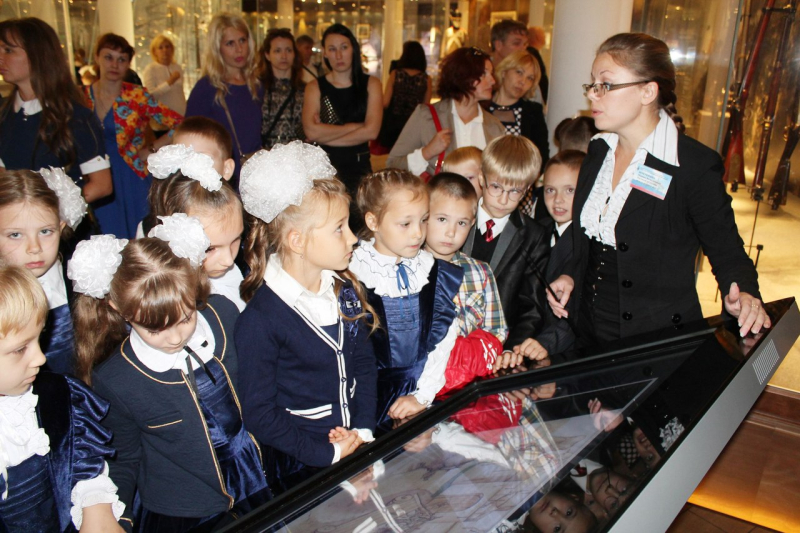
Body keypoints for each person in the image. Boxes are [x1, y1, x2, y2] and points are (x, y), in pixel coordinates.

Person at [547, 33, 770, 343]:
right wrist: (570, 275)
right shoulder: (598, 151)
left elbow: (727, 251)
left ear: (647, 91)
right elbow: (588, 241)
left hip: (654, 340)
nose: (593, 95)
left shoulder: (692, 165)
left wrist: (744, 294)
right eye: (593, 84)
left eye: (606, 84)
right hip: (586, 333)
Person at [72, 222, 271, 531]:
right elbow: (124, 456)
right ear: (119, 309)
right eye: (155, 329)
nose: (176, 337)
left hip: (264, 476)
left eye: (186, 318)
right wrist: (117, 518)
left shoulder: (224, 314)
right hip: (188, 511)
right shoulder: (116, 379)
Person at [235, 142, 378, 493]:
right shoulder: (261, 319)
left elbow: (364, 366)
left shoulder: (343, 290)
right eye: (339, 228)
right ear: (297, 241)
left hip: (355, 446)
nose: (353, 238)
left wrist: (361, 431)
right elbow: (260, 414)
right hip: (302, 465)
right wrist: (327, 452)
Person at [0, 264, 125, 532]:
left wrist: (95, 504)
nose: (40, 357)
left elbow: (82, 462)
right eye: (20, 349)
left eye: (39, 338)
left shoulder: (55, 395)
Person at [349, 169, 463, 431]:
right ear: (373, 221)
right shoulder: (353, 272)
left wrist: (423, 395)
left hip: (421, 396)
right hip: (366, 401)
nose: (418, 234)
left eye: (424, 220)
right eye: (405, 224)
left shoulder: (431, 271)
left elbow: (444, 339)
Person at [0, 18, 112, 207]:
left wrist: (54, 212)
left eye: (8, 50)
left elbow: (102, 185)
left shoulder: (76, 116)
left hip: (61, 222)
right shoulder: (4, 114)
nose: (1, 57)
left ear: (37, 54)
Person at [423, 173, 517, 397]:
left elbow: (496, 330)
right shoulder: (407, 270)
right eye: (442, 219)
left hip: (472, 385)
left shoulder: (481, 272)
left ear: (472, 223)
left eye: (462, 223)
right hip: (424, 385)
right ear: (424, 216)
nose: (451, 232)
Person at [85, 33, 182, 240]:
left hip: (131, 175)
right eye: (108, 57)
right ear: (97, 58)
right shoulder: (81, 96)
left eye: (121, 59)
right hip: (93, 177)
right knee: (100, 238)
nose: (114, 64)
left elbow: (180, 123)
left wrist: (152, 148)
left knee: (138, 240)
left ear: (129, 64)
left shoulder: (137, 95)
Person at [459, 135, 549, 354]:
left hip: (500, 347)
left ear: (527, 189)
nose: (503, 199)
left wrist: (511, 350)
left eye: (515, 191)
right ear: (482, 178)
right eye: (496, 187)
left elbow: (532, 307)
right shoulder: (456, 219)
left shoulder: (534, 236)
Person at [0, 168, 87, 375]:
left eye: (45, 231)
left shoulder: (84, 281)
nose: (34, 248)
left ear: (61, 227)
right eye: (15, 235)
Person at [145, 142, 245, 311]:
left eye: (236, 240)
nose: (228, 260)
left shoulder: (229, 273)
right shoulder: (171, 303)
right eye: (210, 249)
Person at [387, 47, 505, 177]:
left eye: (491, 74)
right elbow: (392, 165)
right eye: (484, 74)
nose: (492, 81)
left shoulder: (495, 127)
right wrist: (427, 153)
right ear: (463, 75)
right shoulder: (426, 116)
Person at [302, 24, 382, 199]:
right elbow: (311, 132)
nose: (338, 55)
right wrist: (358, 127)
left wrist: (324, 133)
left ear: (353, 48)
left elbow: (372, 131)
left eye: (344, 47)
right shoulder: (314, 87)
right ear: (325, 53)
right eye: (332, 49)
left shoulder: (372, 84)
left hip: (359, 169)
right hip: (324, 170)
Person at [186, 13, 262, 182]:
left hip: (255, 173)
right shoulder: (206, 88)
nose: (239, 49)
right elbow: (190, 139)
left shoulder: (256, 85)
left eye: (242, 40)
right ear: (217, 47)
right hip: (221, 176)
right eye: (230, 43)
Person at [527, 150, 585, 360]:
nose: (558, 200)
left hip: (567, 352)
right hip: (529, 340)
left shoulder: (589, 241)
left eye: (570, 190)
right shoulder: (536, 231)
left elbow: (581, 311)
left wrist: (546, 343)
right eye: (550, 190)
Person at [484, 50, 549, 167]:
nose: (522, 82)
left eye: (530, 78)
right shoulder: (482, 106)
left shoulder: (533, 112)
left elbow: (541, 157)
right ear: (504, 72)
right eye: (519, 72)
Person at [257, 28, 305, 150]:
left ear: (294, 54)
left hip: (297, 154)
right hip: (266, 154)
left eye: (288, 50)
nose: (284, 56)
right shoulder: (257, 89)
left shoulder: (305, 90)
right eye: (277, 51)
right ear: (267, 55)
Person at [379, 41, 432, 151]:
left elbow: (385, 102)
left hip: (393, 124)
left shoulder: (396, 74)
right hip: (414, 125)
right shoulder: (426, 79)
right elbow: (426, 107)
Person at [143, 35, 187, 138]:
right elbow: (151, 95)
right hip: (162, 120)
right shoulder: (151, 69)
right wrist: (169, 82)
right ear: (155, 51)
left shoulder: (177, 67)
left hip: (180, 117)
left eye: (167, 47)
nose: (165, 50)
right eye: (160, 47)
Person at [527, 26, 550, 104]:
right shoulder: (533, 54)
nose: (545, 38)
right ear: (537, 37)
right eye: (543, 35)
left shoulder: (533, 53)